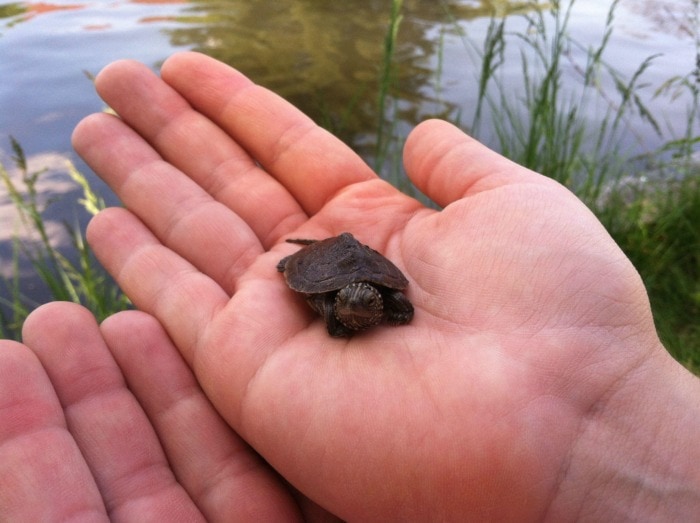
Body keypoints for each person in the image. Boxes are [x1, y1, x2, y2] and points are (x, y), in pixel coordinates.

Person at [1, 52, 698, 521]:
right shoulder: (333, 302)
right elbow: (329, 303)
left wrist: (615, 417)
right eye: (358, 304)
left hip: (344, 256)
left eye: (364, 304)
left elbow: (396, 304)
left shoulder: (381, 300)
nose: (363, 309)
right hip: (322, 260)